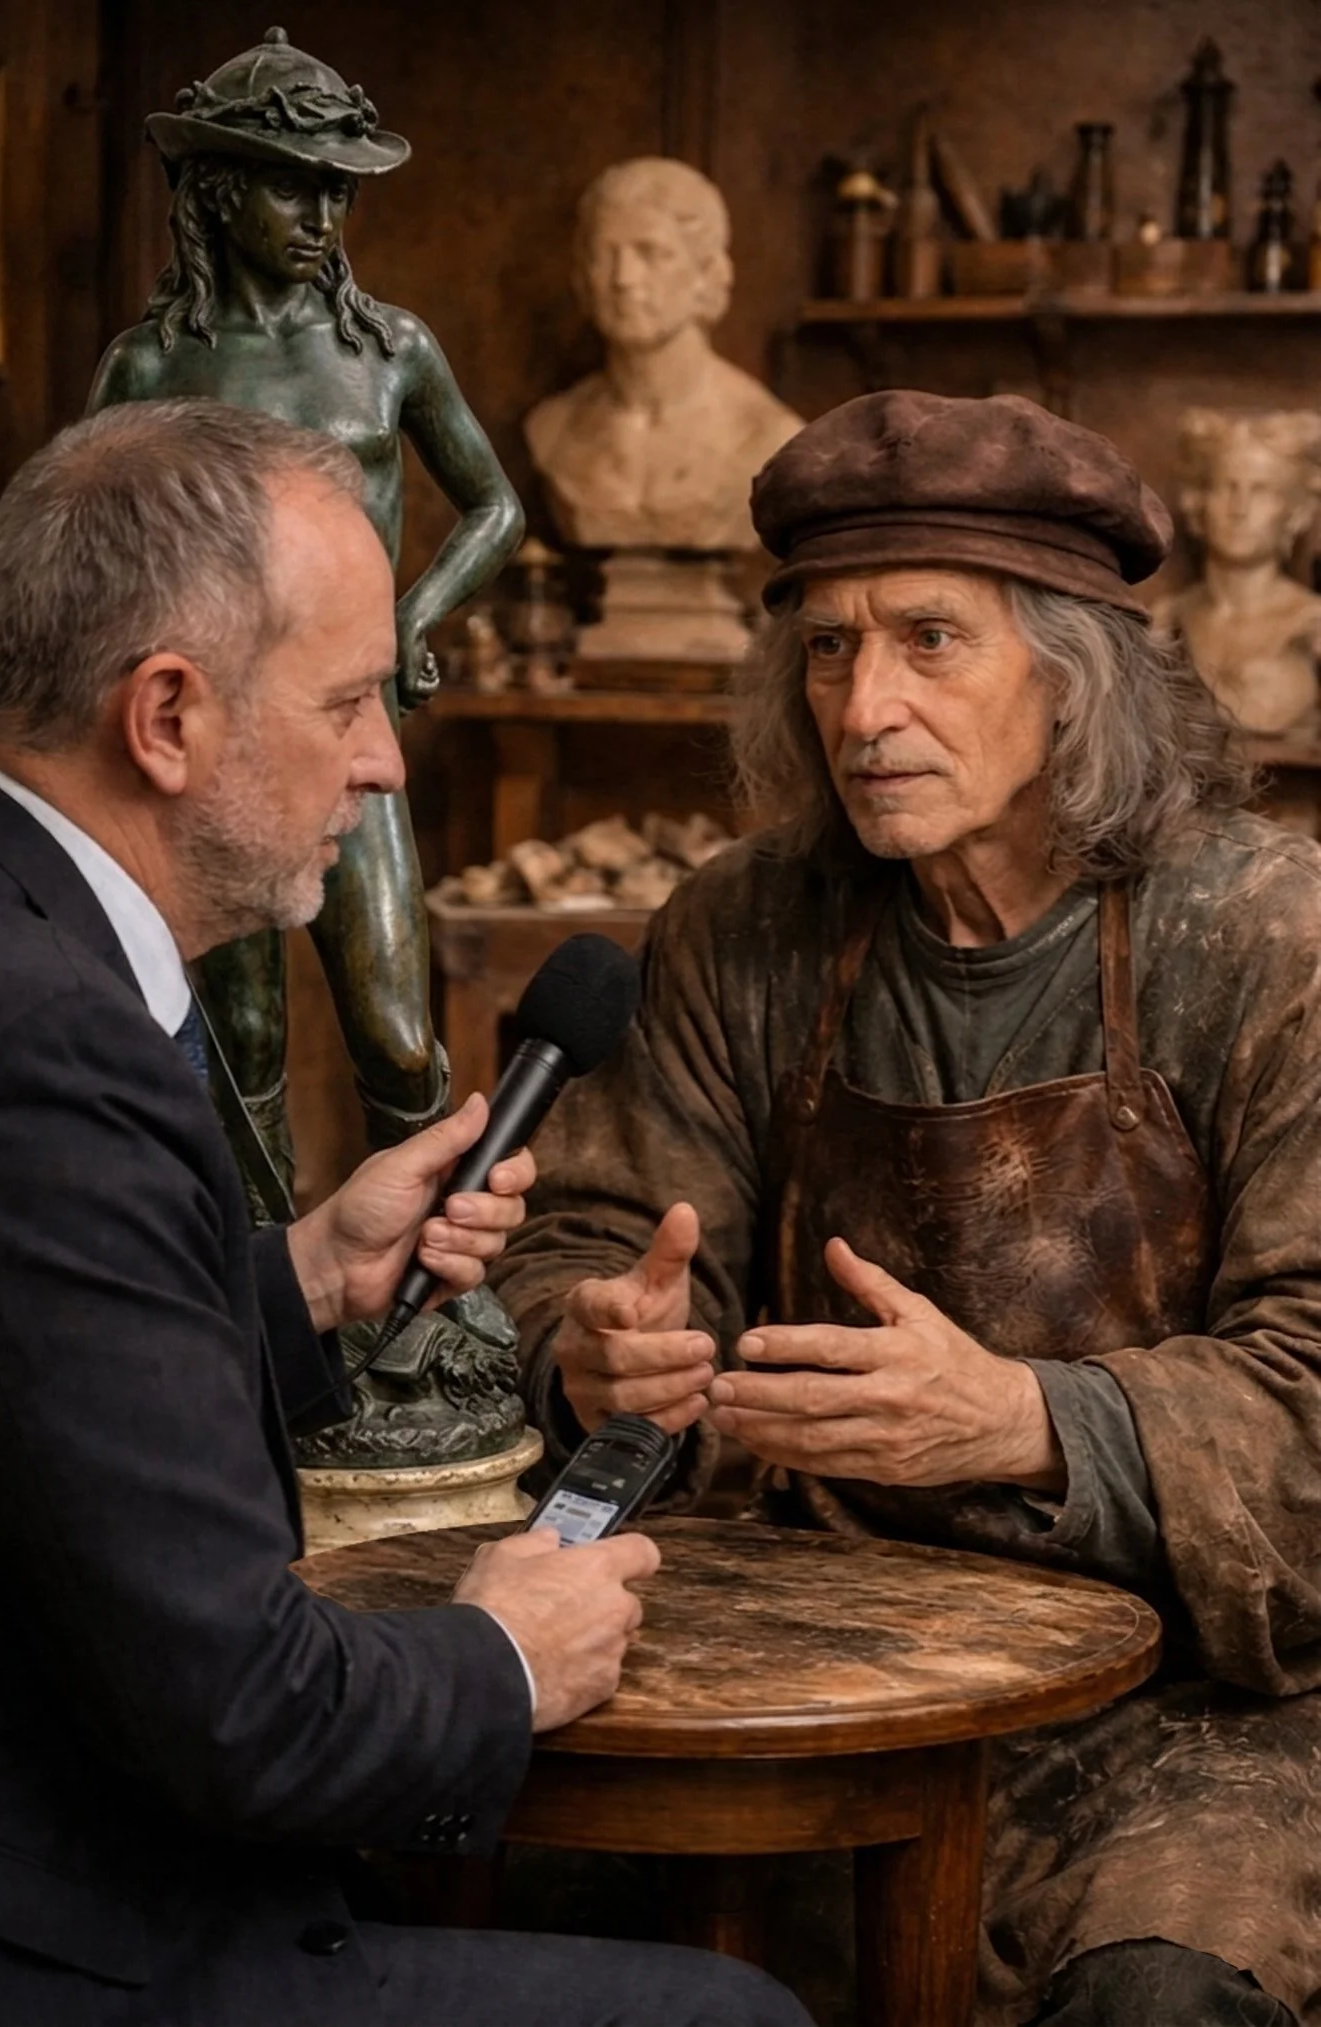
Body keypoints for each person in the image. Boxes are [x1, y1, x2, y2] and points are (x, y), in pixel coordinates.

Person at [0, 398, 810, 2027]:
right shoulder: (46, 1039)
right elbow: (240, 1712)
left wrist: (300, 1276)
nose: (382, 757)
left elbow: (24, 1367)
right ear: (167, 717)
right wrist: (501, 1653)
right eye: (352, 697)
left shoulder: (12, 931)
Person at [492, 389, 1321, 2027]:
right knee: (455, 1894)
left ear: (1074, 678)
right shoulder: (747, 927)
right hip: (822, 1654)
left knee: (1155, 2001)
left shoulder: (1270, 936)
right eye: (824, 647)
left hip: (1194, 1703)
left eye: (929, 639)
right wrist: (591, 1355)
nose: (862, 705)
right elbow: (580, 1256)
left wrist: (1024, 1417)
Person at [90, 25, 525, 1195]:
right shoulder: (148, 369)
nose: (325, 219)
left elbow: (493, 506)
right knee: (243, 1042)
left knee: (391, 1026)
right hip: (212, 747)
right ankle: (264, 1279)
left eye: (340, 193)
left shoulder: (387, 353)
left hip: (348, 727)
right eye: (297, 188)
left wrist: (418, 613)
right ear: (221, 191)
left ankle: (434, 1288)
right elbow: (89, 556)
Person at [524, 155, 802, 552]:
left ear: (705, 273)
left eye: (650, 253)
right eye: (605, 255)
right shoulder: (552, 429)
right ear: (583, 276)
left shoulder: (767, 436)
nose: (624, 278)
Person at [1152, 406, 1321, 734]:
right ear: (1199, 499)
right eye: (1226, 486)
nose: (1239, 508)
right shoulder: (1166, 621)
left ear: (1295, 512)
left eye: (1261, 491)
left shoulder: (1312, 624)